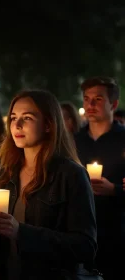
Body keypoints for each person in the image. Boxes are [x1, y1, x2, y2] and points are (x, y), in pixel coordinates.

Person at [0, 89, 97, 280]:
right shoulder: (6, 173)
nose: (17, 124)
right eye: (14, 118)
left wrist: (21, 233)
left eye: (28, 118)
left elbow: (85, 247)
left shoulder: (71, 174)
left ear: (48, 125)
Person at [75, 76, 125, 280]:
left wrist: (114, 189)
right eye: (86, 99)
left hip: (116, 231)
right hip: (80, 230)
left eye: (98, 99)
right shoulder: (74, 140)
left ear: (113, 104)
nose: (90, 105)